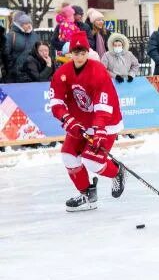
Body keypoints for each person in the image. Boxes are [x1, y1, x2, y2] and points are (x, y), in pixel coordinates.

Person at [49, 30, 126, 210]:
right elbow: (56, 102)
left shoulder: (97, 70)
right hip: (80, 123)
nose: (79, 56)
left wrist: (99, 129)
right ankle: (86, 195)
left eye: (83, 52)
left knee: (92, 162)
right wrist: (69, 120)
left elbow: (102, 103)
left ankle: (116, 171)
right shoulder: (62, 73)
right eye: (76, 53)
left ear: (88, 52)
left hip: (105, 122)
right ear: (70, 53)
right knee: (68, 157)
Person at [5, 13, 41, 82]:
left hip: (33, 74)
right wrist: (10, 71)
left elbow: (39, 52)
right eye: (26, 23)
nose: (29, 25)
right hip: (15, 76)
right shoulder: (10, 36)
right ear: (19, 24)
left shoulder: (35, 36)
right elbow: (5, 55)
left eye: (29, 23)